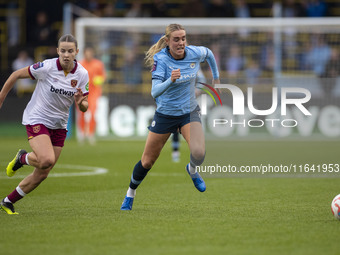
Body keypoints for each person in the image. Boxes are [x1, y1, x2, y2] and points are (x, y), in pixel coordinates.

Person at [120, 23, 220, 210]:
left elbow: (209, 53)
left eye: (183, 38)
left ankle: (191, 169)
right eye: (176, 39)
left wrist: (216, 77)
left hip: (189, 112)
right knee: (147, 161)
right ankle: (130, 193)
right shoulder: (161, 60)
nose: (181, 42)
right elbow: (154, 92)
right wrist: (170, 80)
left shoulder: (194, 52)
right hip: (165, 115)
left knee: (199, 153)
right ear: (167, 41)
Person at [0, 34, 89, 215]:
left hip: (59, 125)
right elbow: (16, 74)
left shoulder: (82, 74)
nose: (66, 54)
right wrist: (1, 97)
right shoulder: (47, 67)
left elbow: (85, 106)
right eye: (63, 50)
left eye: (70, 51)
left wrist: (81, 102)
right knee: (46, 159)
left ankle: (7, 201)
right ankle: (23, 158)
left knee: (43, 172)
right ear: (57, 51)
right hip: (37, 118)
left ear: (76, 52)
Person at [77, 46, 106, 144]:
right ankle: (81, 133)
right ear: (84, 53)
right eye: (87, 53)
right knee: (82, 112)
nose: (88, 55)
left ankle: (91, 133)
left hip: (94, 93)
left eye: (90, 52)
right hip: (82, 93)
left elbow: (102, 76)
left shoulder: (98, 64)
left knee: (93, 113)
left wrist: (98, 80)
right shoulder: (79, 64)